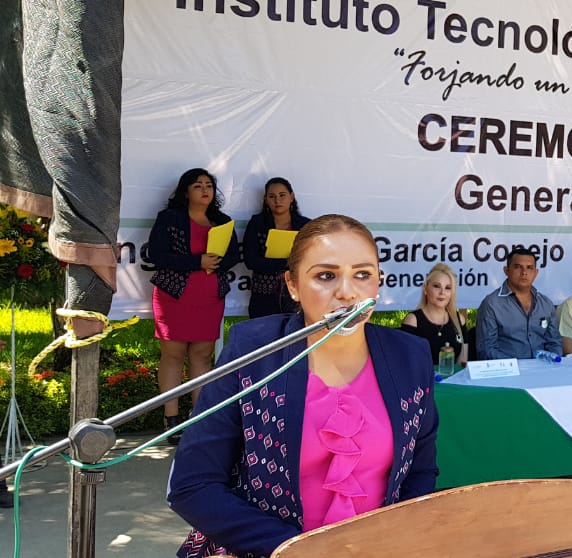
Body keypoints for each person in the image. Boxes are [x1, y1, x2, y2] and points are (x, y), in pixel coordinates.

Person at [167, 214, 439, 557]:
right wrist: (297, 550)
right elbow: (192, 485)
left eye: (363, 274)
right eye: (326, 276)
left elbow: (420, 471)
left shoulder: (409, 357)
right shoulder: (255, 351)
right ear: (293, 285)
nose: (347, 292)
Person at [148, 168, 240, 445]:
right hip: (174, 296)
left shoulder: (222, 221)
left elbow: (233, 255)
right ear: (186, 191)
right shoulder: (170, 218)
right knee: (173, 355)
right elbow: (156, 255)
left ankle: (198, 418)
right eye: (198, 185)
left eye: (209, 185)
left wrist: (217, 263)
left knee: (202, 356)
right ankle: (171, 419)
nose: (205, 190)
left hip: (209, 297)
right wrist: (196, 262)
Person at [476, 247, 562, 359]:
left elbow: (554, 343)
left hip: (543, 367)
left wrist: (554, 361)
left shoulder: (546, 304)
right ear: (506, 271)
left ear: (536, 273)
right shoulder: (491, 304)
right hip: (508, 368)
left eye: (529, 268)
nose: (524, 272)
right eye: (518, 267)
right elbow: (487, 349)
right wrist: (517, 366)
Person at [243, 177, 311, 318]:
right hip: (263, 295)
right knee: (264, 331)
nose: (277, 201)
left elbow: (312, 258)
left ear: (291, 197)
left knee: (294, 330)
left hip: (296, 293)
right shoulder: (257, 223)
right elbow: (251, 260)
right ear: (266, 199)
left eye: (282, 195)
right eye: (272, 196)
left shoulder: (305, 225)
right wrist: (285, 263)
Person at [401, 263, 469, 367]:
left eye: (448, 288)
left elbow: (462, 362)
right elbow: (407, 362)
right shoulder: (413, 320)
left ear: (452, 293)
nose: (442, 292)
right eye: (436, 286)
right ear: (425, 289)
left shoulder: (459, 319)